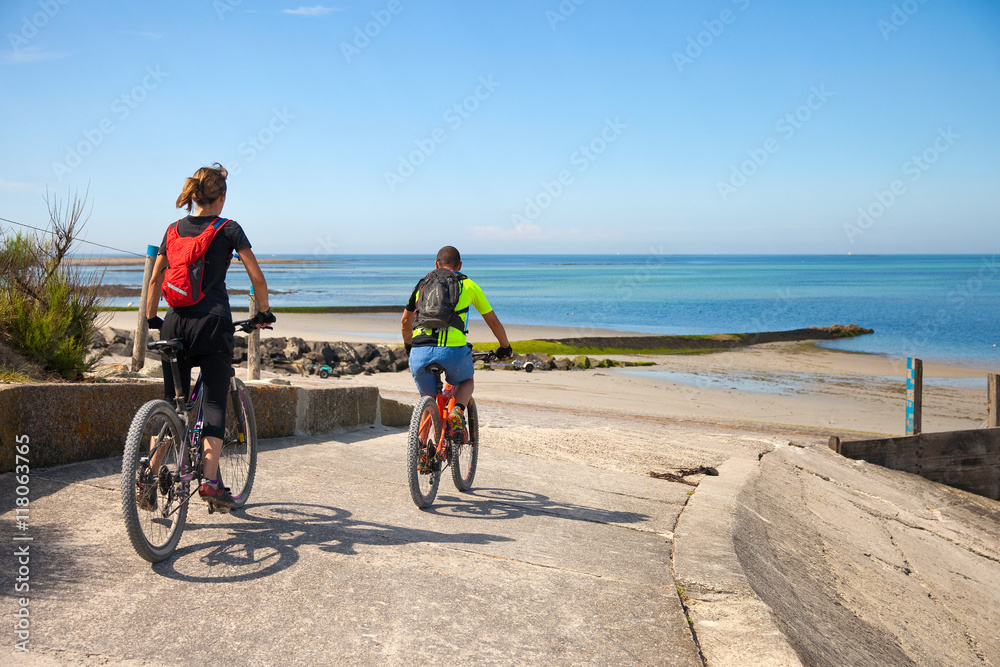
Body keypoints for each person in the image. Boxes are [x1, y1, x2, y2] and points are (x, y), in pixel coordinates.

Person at [145, 163, 275, 509]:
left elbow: (156, 279)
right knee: (215, 401)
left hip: (174, 323)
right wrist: (263, 312)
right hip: (212, 324)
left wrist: (151, 318)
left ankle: (149, 472)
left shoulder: (173, 229)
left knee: (173, 401)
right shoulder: (228, 229)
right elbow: (257, 277)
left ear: (194, 197)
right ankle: (210, 481)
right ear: (222, 197)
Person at [401, 246, 512, 441]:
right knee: (466, 380)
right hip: (452, 353)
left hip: (419, 351)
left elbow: (404, 321)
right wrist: (505, 347)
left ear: (436, 264)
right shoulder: (468, 285)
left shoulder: (422, 285)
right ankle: (457, 411)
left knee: (427, 402)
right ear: (460, 265)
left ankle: (421, 451)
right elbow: (493, 321)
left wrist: (410, 346)